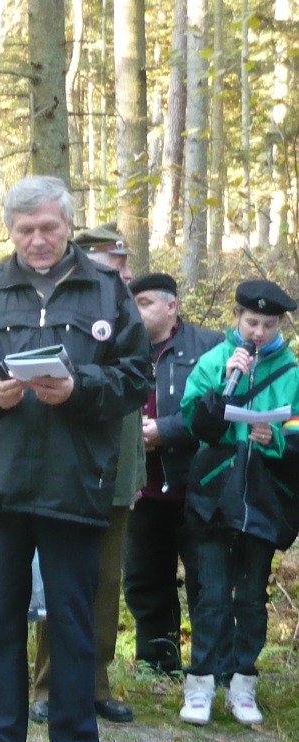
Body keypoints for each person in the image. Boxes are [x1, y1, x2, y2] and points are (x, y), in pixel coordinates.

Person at [0, 176, 150, 742]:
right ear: (10, 231)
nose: (38, 240)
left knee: (72, 622)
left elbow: (136, 377)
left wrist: (79, 390)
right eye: (25, 230)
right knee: (3, 619)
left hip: (74, 482)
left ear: (68, 226)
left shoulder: (106, 291)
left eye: (49, 227)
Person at [27, 220, 141, 726]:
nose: (123, 274)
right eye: (113, 265)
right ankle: (48, 686)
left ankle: (94, 683)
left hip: (115, 476)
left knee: (106, 582)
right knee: (59, 585)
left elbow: (132, 407)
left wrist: (135, 474)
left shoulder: (124, 316)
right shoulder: (65, 315)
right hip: (70, 471)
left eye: (123, 265)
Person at [178, 280, 299, 727]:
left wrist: (276, 439)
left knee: (249, 597)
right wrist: (222, 387)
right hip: (214, 495)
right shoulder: (214, 361)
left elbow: (297, 434)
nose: (259, 332)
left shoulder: (291, 372)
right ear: (236, 318)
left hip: (266, 498)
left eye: (268, 324)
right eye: (252, 323)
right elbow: (196, 424)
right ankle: (200, 683)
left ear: (280, 324)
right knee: (211, 594)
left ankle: (242, 683)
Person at [123, 273, 221, 675]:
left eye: (145, 303)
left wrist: (166, 430)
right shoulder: (122, 349)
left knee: (206, 581)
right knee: (144, 579)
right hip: (142, 489)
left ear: (171, 306)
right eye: (133, 303)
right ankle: (157, 664)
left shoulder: (209, 346)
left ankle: (211, 667)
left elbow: (219, 408)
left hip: (198, 485)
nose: (137, 311)